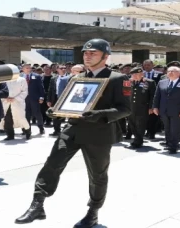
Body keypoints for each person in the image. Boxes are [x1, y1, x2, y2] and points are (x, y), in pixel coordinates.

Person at [15, 38, 131, 228]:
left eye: (93, 53)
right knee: (52, 164)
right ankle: (38, 204)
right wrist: (57, 111)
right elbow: (69, 103)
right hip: (72, 130)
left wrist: (99, 114)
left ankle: (93, 212)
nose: (87, 56)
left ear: (105, 56)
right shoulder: (77, 78)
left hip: (99, 133)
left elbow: (125, 109)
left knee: (97, 174)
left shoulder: (118, 79)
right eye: (85, 53)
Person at [153, 66, 180, 154]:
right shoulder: (162, 82)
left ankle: (173, 146)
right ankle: (169, 144)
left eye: (173, 71)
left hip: (178, 111)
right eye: (169, 71)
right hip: (164, 110)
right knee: (167, 129)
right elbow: (157, 96)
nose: (170, 72)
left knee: (175, 129)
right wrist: (155, 107)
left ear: (179, 73)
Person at [127, 67, 156, 148]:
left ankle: (138, 141)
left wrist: (151, 107)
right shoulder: (128, 82)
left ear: (142, 74)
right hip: (131, 107)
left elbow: (153, 96)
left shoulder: (149, 82)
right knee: (132, 124)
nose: (135, 76)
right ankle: (137, 138)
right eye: (133, 74)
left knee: (140, 125)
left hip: (143, 107)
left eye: (137, 74)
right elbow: (125, 95)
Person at [0, 76, 31, 140]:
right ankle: (10, 135)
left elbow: (24, 91)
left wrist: (15, 98)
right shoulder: (3, 79)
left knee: (21, 118)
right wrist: (5, 97)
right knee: (7, 119)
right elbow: (0, 90)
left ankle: (27, 131)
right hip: (6, 102)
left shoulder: (21, 80)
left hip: (18, 102)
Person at [21, 64, 45, 134]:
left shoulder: (36, 76)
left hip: (34, 98)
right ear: (23, 69)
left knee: (37, 113)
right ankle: (27, 129)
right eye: (27, 68)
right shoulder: (20, 77)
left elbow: (41, 87)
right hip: (24, 98)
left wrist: (41, 97)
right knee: (26, 114)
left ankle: (41, 127)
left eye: (29, 68)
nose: (28, 69)